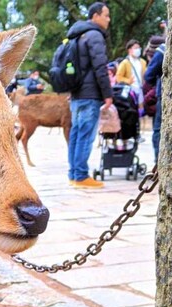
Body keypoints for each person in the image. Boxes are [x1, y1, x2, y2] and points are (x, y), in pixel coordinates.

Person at [66, 2, 114, 190]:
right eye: (106, 15)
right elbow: (100, 67)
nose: (108, 19)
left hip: (77, 93)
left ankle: (73, 174)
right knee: (85, 135)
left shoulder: (76, 36)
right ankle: (81, 175)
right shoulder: (94, 35)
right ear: (95, 16)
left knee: (76, 134)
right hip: (90, 94)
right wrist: (108, 94)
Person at [144, 36, 166, 161]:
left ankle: (158, 163)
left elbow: (148, 75)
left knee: (158, 130)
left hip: (163, 94)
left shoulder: (162, 50)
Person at [115, 39, 146, 115]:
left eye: (139, 48)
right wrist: (128, 81)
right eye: (135, 48)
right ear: (129, 50)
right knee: (132, 111)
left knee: (141, 111)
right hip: (130, 91)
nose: (138, 50)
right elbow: (118, 77)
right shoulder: (125, 63)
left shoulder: (142, 62)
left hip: (141, 90)